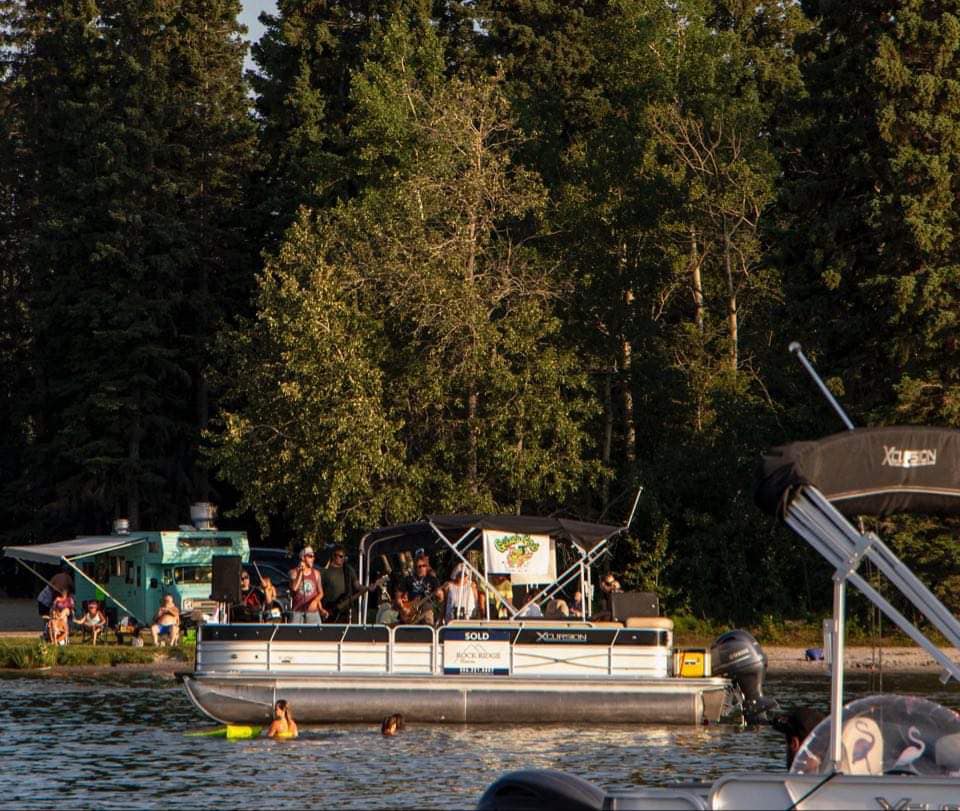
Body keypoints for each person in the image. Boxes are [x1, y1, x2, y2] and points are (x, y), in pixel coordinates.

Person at [321, 545, 384, 624]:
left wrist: (368, 588)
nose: (343, 558)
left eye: (344, 556)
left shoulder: (348, 570)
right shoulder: (324, 572)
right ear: (334, 556)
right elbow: (319, 592)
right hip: (329, 610)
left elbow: (357, 586)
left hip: (347, 610)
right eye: (340, 556)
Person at [395, 553, 443, 626]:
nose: (422, 568)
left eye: (424, 566)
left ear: (427, 567)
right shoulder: (408, 579)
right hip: (412, 611)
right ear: (415, 568)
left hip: (427, 610)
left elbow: (440, 599)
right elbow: (398, 596)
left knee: (428, 628)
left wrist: (439, 595)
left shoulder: (433, 580)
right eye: (419, 566)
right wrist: (403, 608)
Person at [289, 546, 327, 624]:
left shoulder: (316, 573)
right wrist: (300, 572)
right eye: (310, 556)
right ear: (303, 558)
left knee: (316, 634)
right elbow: (294, 588)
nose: (312, 559)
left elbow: (321, 593)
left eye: (313, 557)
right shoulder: (293, 572)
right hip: (298, 612)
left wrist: (316, 601)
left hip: (313, 613)